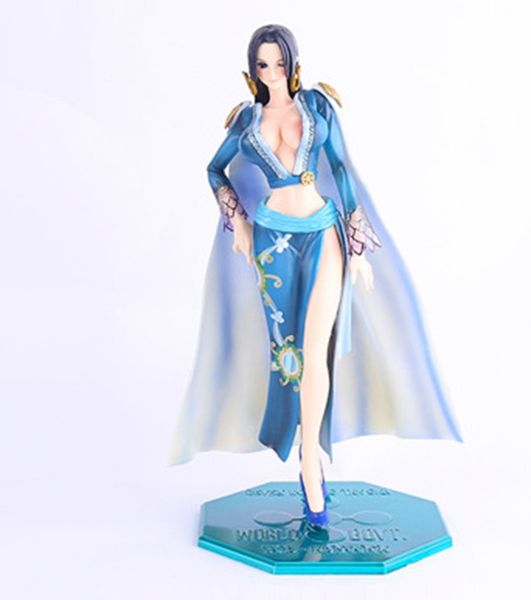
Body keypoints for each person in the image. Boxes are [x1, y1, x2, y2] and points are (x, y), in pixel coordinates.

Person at [169, 24, 462, 528]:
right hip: (273, 241)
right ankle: (306, 455)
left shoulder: (318, 107)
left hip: (323, 231)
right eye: (263, 65)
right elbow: (214, 170)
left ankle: (310, 463)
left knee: (315, 347)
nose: (272, 73)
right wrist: (238, 220)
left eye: (279, 63)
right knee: (291, 356)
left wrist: (358, 246)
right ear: (252, 69)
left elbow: (341, 170)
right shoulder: (246, 120)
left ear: (293, 62)